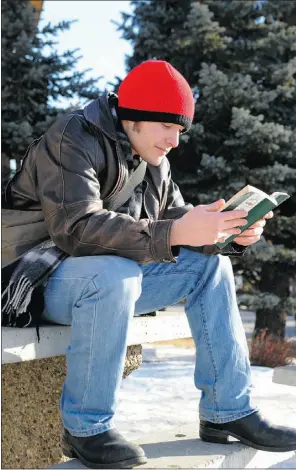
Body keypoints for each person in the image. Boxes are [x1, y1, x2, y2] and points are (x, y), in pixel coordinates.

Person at [2, 60, 296, 469]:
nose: (175, 141)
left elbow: (171, 221)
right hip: (32, 276)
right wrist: (177, 232)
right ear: (136, 117)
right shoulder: (72, 136)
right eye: (168, 128)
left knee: (208, 268)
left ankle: (227, 410)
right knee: (115, 274)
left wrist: (223, 232)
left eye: (180, 131)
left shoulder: (154, 161)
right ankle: (85, 428)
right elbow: (75, 227)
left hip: (96, 280)